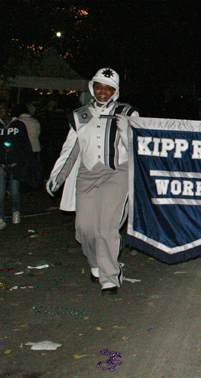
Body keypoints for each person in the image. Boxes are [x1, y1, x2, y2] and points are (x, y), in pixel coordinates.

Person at [46, 68, 139, 295]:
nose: (103, 92)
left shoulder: (127, 112)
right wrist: (56, 178)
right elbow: (70, 150)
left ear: (115, 91)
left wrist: (127, 130)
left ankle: (110, 278)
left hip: (117, 173)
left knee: (106, 227)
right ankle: (96, 264)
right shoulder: (80, 115)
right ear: (92, 87)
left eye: (109, 88)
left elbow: (138, 147)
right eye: (99, 86)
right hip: (88, 175)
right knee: (84, 228)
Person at [0, 101, 33, 229]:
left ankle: (15, 211)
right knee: (0, 192)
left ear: (8, 111)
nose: (0, 111)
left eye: (2, 109)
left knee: (14, 190)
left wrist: (18, 152)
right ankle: (0, 218)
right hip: (0, 162)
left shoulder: (19, 125)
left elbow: (25, 144)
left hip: (14, 162)